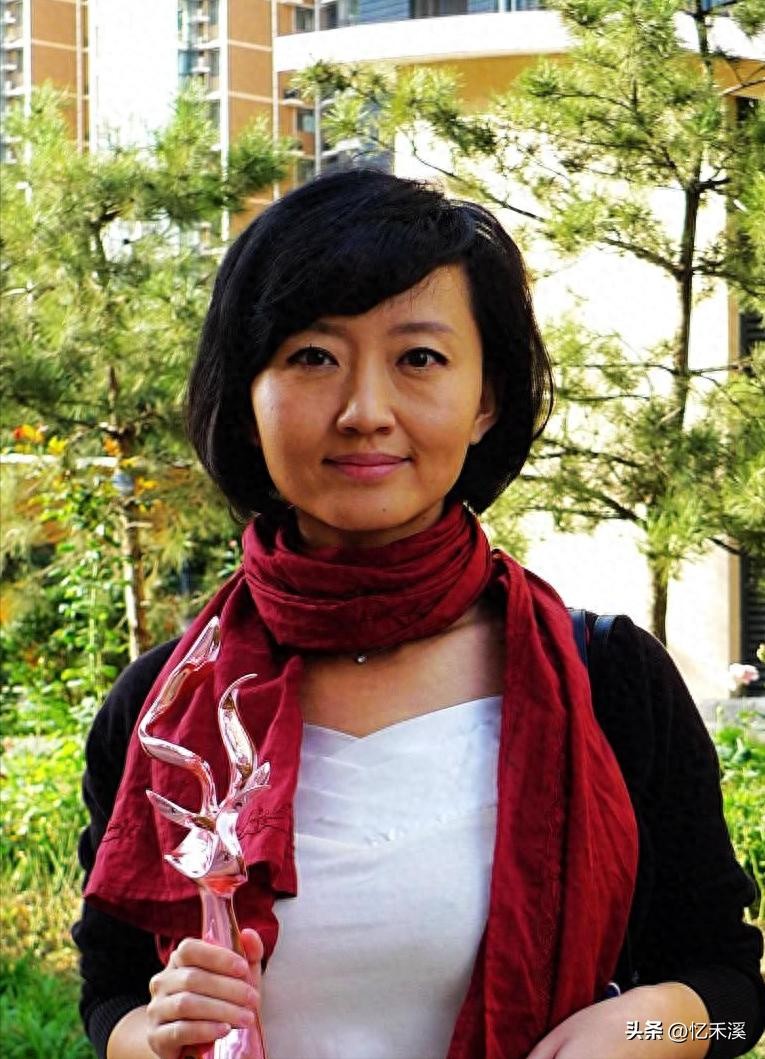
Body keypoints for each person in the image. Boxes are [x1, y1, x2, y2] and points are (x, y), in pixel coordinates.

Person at [74, 168, 765, 1059]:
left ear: (485, 400)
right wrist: (152, 1035)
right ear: (247, 400)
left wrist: (640, 1028)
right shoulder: (167, 707)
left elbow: (736, 1001)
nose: (365, 412)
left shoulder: (607, 681)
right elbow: (111, 996)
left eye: (419, 358)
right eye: (312, 356)